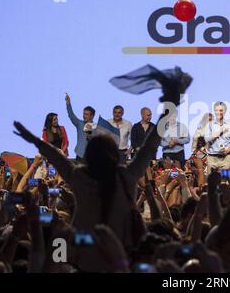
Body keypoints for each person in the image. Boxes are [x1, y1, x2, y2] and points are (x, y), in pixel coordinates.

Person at [12, 80, 183, 272]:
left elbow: (56, 157)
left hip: (83, 257)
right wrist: (169, 108)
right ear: (115, 154)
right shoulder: (126, 176)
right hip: (123, 258)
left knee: (59, 240)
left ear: (89, 156)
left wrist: (33, 139)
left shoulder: (79, 177)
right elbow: (151, 144)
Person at [203, 102, 230, 174]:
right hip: (212, 159)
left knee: (225, 183)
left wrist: (227, 151)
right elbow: (206, 139)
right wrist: (220, 131)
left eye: (221, 110)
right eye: (216, 110)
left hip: (226, 159)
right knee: (212, 182)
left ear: (225, 111)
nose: (219, 112)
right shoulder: (209, 125)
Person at [65, 93, 96, 162]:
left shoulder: (96, 127)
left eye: (86, 114)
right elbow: (71, 116)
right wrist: (68, 104)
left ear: (92, 116)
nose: (84, 116)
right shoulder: (80, 124)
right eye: (84, 114)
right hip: (80, 154)